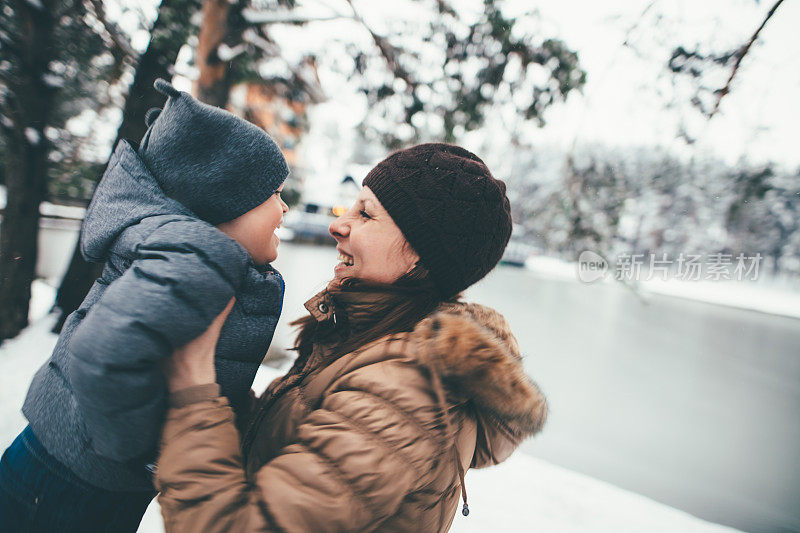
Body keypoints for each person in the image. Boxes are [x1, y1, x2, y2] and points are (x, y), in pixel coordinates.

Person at [156, 143, 548, 532]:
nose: (337, 224)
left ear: (421, 256)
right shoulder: (362, 337)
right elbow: (281, 446)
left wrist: (193, 390)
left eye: (366, 214)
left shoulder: (404, 385)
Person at [0, 79, 289, 532]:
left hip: (64, 471)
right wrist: (138, 453)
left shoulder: (189, 251)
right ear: (225, 202)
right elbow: (102, 353)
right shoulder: (196, 254)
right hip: (72, 486)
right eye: (273, 193)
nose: (284, 208)